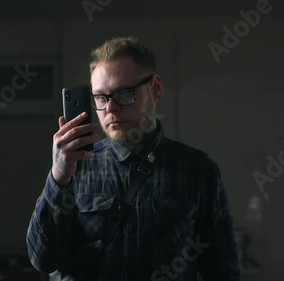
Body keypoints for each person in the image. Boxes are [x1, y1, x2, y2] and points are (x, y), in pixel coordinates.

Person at [26, 36, 241, 281]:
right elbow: (42, 259)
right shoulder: (76, 165)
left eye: (123, 93)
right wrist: (58, 177)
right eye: (101, 97)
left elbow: (224, 270)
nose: (110, 109)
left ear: (155, 88)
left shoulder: (197, 170)